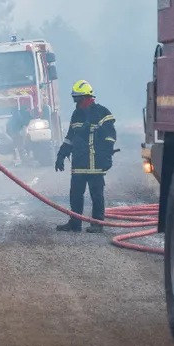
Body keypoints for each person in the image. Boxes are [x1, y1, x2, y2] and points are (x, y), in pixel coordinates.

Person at [55, 80, 116, 233]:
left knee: (97, 195)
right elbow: (69, 138)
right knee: (75, 195)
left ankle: (97, 223)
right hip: (79, 164)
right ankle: (75, 223)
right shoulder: (76, 114)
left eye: (79, 100)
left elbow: (110, 136)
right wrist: (61, 155)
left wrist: (107, 155)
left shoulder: (102, 113)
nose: (77, 103)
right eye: (75, 100)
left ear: (88, 98)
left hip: (96, 163)